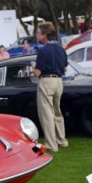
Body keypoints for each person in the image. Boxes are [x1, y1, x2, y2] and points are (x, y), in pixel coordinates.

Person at [33, 22, 68, 152]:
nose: (36, 34)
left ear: (45, 35)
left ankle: (51, 144)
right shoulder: (61, 48)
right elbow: (65, 67)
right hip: (59, 81)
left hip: (47, 81)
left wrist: (32, 68)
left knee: (47, 114)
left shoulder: (43, 51)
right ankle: (62, 140)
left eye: (38, 32)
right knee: (57, 112)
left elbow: (37, 73)